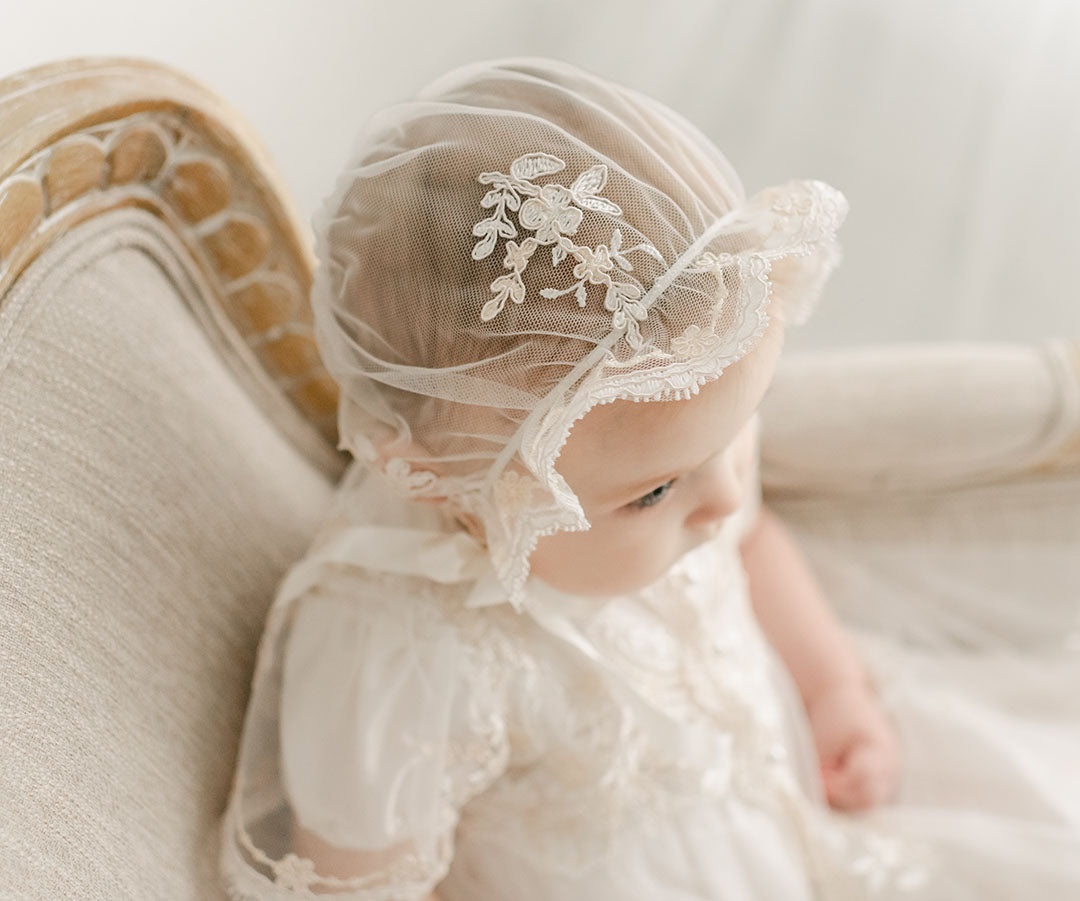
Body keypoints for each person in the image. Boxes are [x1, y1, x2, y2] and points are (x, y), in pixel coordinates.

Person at [220, 57, 1080, 900]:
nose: (726, 498)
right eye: (657, 492)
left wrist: (833, 689)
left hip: (785, 818)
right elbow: (358, 884)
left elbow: (756, 545)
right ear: (460, 488)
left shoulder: (676, 470)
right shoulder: (400, 649)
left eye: (741, 427)